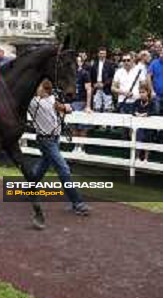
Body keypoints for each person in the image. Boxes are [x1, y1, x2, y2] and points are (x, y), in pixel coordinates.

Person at [28, 79, 90, 215]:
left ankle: (30, 187)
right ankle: (77, 202)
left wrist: (64, 107)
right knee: (63, 168)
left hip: (53, 138)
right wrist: (64, 107)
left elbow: (67, 109)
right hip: (46, 140)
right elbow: (65, 108)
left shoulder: (48, 100)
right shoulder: (34, 102)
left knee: (43, 165)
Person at [134, 82, 156, 161]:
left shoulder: (151, 102)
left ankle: (146, 158)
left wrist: (146, 114)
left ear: (148, 92)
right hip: (139, 127)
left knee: (148, 140)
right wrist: (136, 113)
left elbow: (154, 111)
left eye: (143, 92)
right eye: (140, 92)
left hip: (149, 127)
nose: (141, 94)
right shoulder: (137, 101)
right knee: (138, 139)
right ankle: (137, 157)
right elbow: (133, 110)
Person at [90, 47, 116, 112]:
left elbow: (112, 77)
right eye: (101, 53)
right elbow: (91, 76)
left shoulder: (110, 64)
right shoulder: (94, 64)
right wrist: (94, 84)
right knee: (96, 108)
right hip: (96, 88)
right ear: (98, 54)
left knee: (107, 109)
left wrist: (104, 84)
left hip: (106, 88)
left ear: (106, 54)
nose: (102, 55)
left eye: (104, 54)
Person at [147, 46, 163, 115]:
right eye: (161, 52)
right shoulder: (154, 63)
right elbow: (148, 76)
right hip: (157, 95)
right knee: (156, 114)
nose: (162, 54)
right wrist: (152, 90)